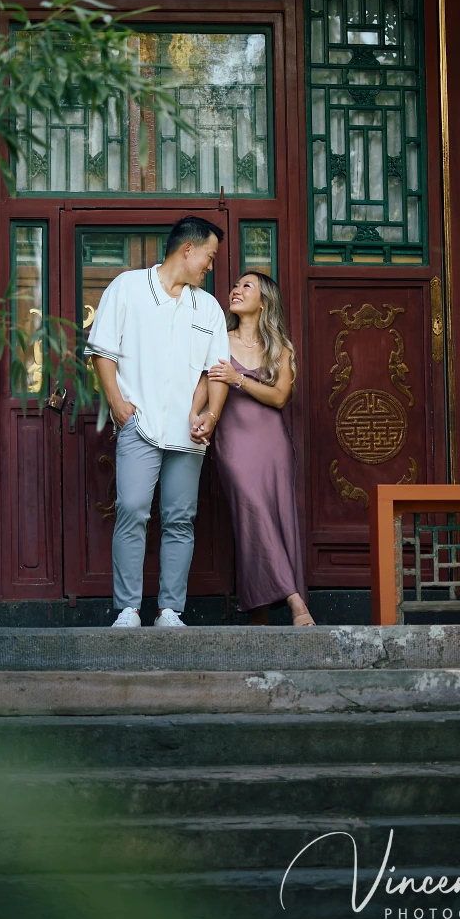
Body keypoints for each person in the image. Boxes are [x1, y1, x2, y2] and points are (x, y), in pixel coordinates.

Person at [86, 216, 230, 629]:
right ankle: (128, 608)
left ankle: (171, 610)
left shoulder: (208, 307)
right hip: (140, 423)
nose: (210, 265)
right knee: (131, 509)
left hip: (188, 433)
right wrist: (117, 404)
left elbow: (216, 371)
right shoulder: (128, 287)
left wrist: (210, 415)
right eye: (209, 255)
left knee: (180, 518)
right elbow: (102, 351)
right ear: (188, 249)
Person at [192, 271, 313, 627]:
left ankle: (259, 613)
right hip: (234, 444)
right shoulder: (219, 340)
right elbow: (203, 385)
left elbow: (279, 398)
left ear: (264, 302)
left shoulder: (281, 348)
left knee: (274, 520)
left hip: (272, 445)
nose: (236, 290)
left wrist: (238, 378)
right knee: (253, 512)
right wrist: (195, 416)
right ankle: (295, 602)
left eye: (247, 286)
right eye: (236, 285)